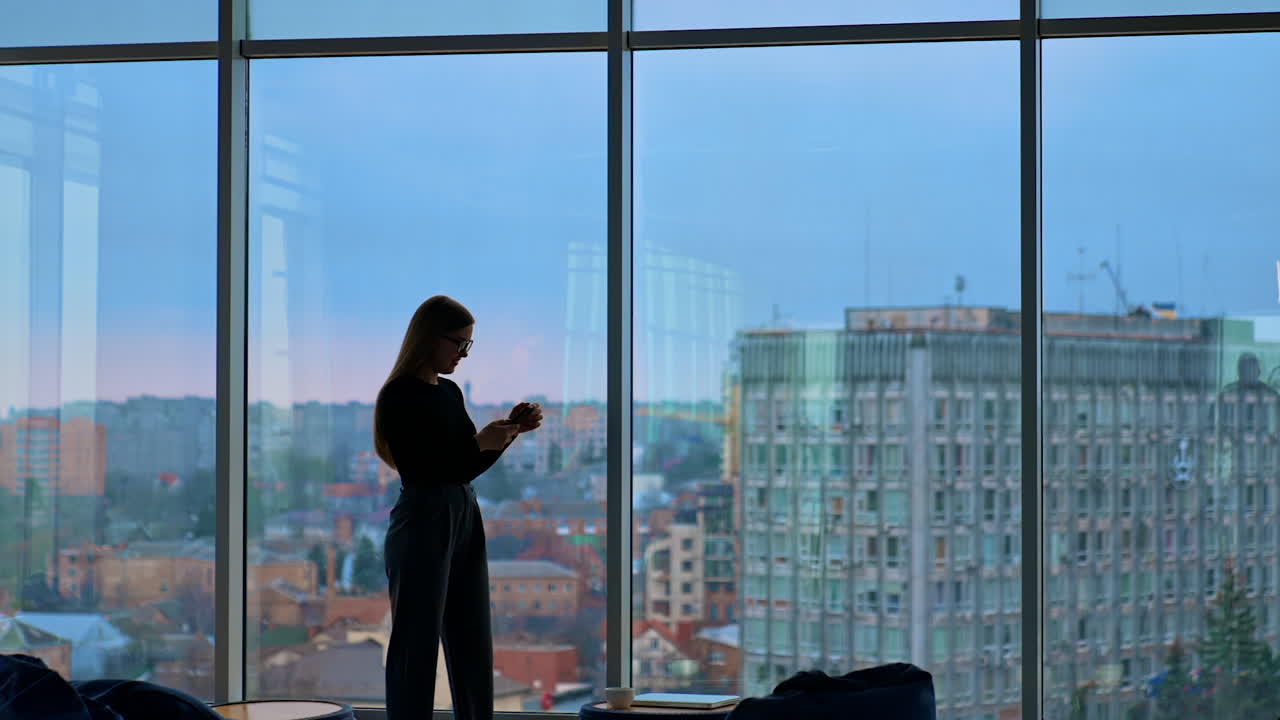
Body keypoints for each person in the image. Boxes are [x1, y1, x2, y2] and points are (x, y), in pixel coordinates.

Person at [374, 295, 542, 720]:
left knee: (471, 637)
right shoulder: (399, 395)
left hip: (461, 511)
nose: (463, 354)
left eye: (469, 345)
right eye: (458, 344)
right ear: (429, 338)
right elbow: (423, 469)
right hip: (425, 515)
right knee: (416, 644)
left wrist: (509, 434)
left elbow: (465, 468)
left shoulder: (449, 393)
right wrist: (478, 444)